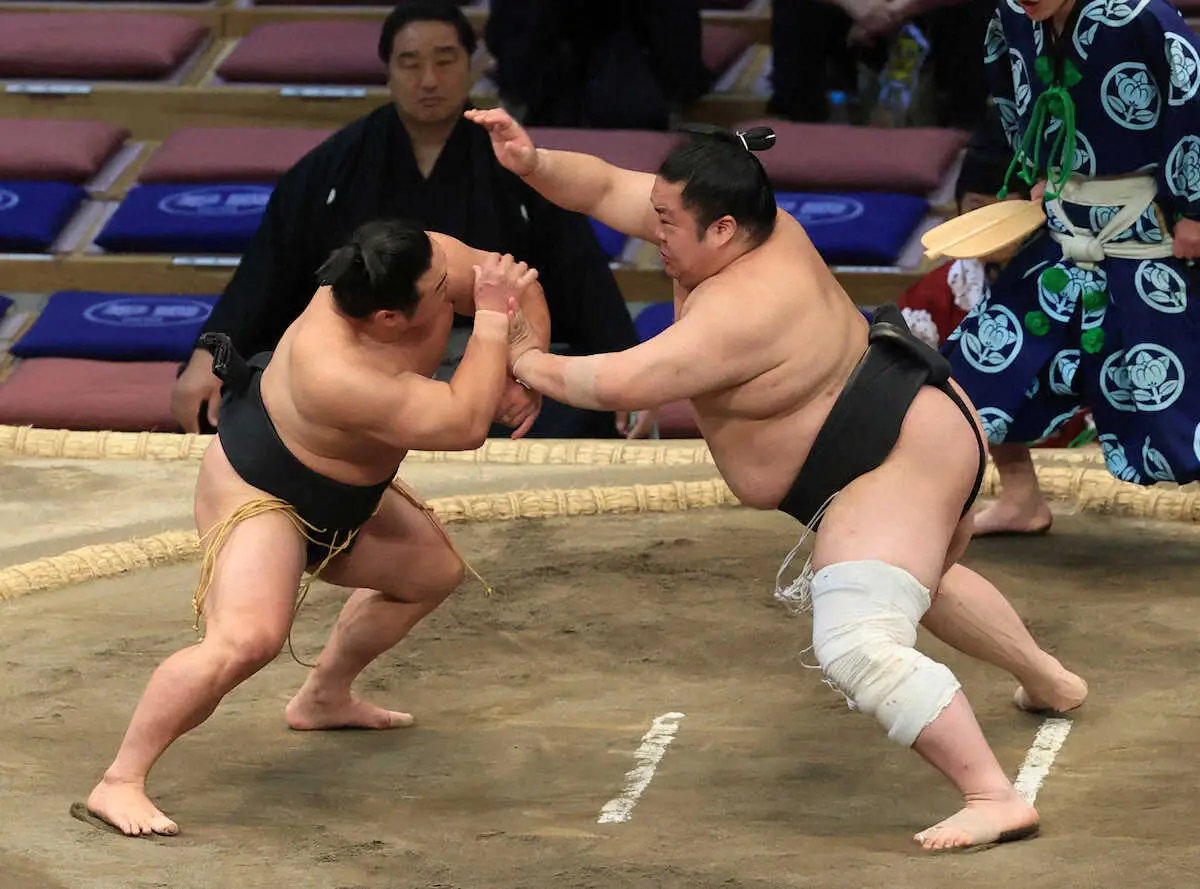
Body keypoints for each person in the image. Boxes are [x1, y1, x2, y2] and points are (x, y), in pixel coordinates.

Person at [465, 107, 1088, 851]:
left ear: (721, 229)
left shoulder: (743, 307)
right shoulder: (735, 223)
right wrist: (532, 160)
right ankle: (1050, 680)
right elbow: (602, 187)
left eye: (666, 222)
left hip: (894, 456)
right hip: (904, 427)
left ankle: (992, 794)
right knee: (924, 577)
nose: (651, 229)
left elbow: (622, 380)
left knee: (856, 635)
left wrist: (524, 356)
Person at [78, 219, 546, 837]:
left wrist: (521, 365)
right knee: (246, 639)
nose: (450, 287)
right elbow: (461, 426)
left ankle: (323, 698)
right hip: (263, 487)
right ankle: (119, 781)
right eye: (439, 293)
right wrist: (488, 324)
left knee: (432, 573)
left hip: (346, 492)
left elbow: (515, 283)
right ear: (387, 319)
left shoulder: (418, 259)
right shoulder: (336, 371)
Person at [171, 0, 638, 442]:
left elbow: (580, 273)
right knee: (247, 396)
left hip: (490, 355)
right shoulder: (333, 167)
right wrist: (209, 354)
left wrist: (619, 366)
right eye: (411, 63)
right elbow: (265, 271)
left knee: (578, 403)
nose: (429, 79)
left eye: (445, 60)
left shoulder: (514, 162)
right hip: (361, 354)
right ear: (388, 73)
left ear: (472, 65)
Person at [942, 0, 1200, 536]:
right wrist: (1035, 165)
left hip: (1146, 239)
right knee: (980, 370)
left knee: (1183, 390)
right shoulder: (1011, 16)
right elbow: (1009, 99)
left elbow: (1194, 101)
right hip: (1061, 233)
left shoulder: (1144, 17)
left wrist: (1195, 209)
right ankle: (1020, 500)